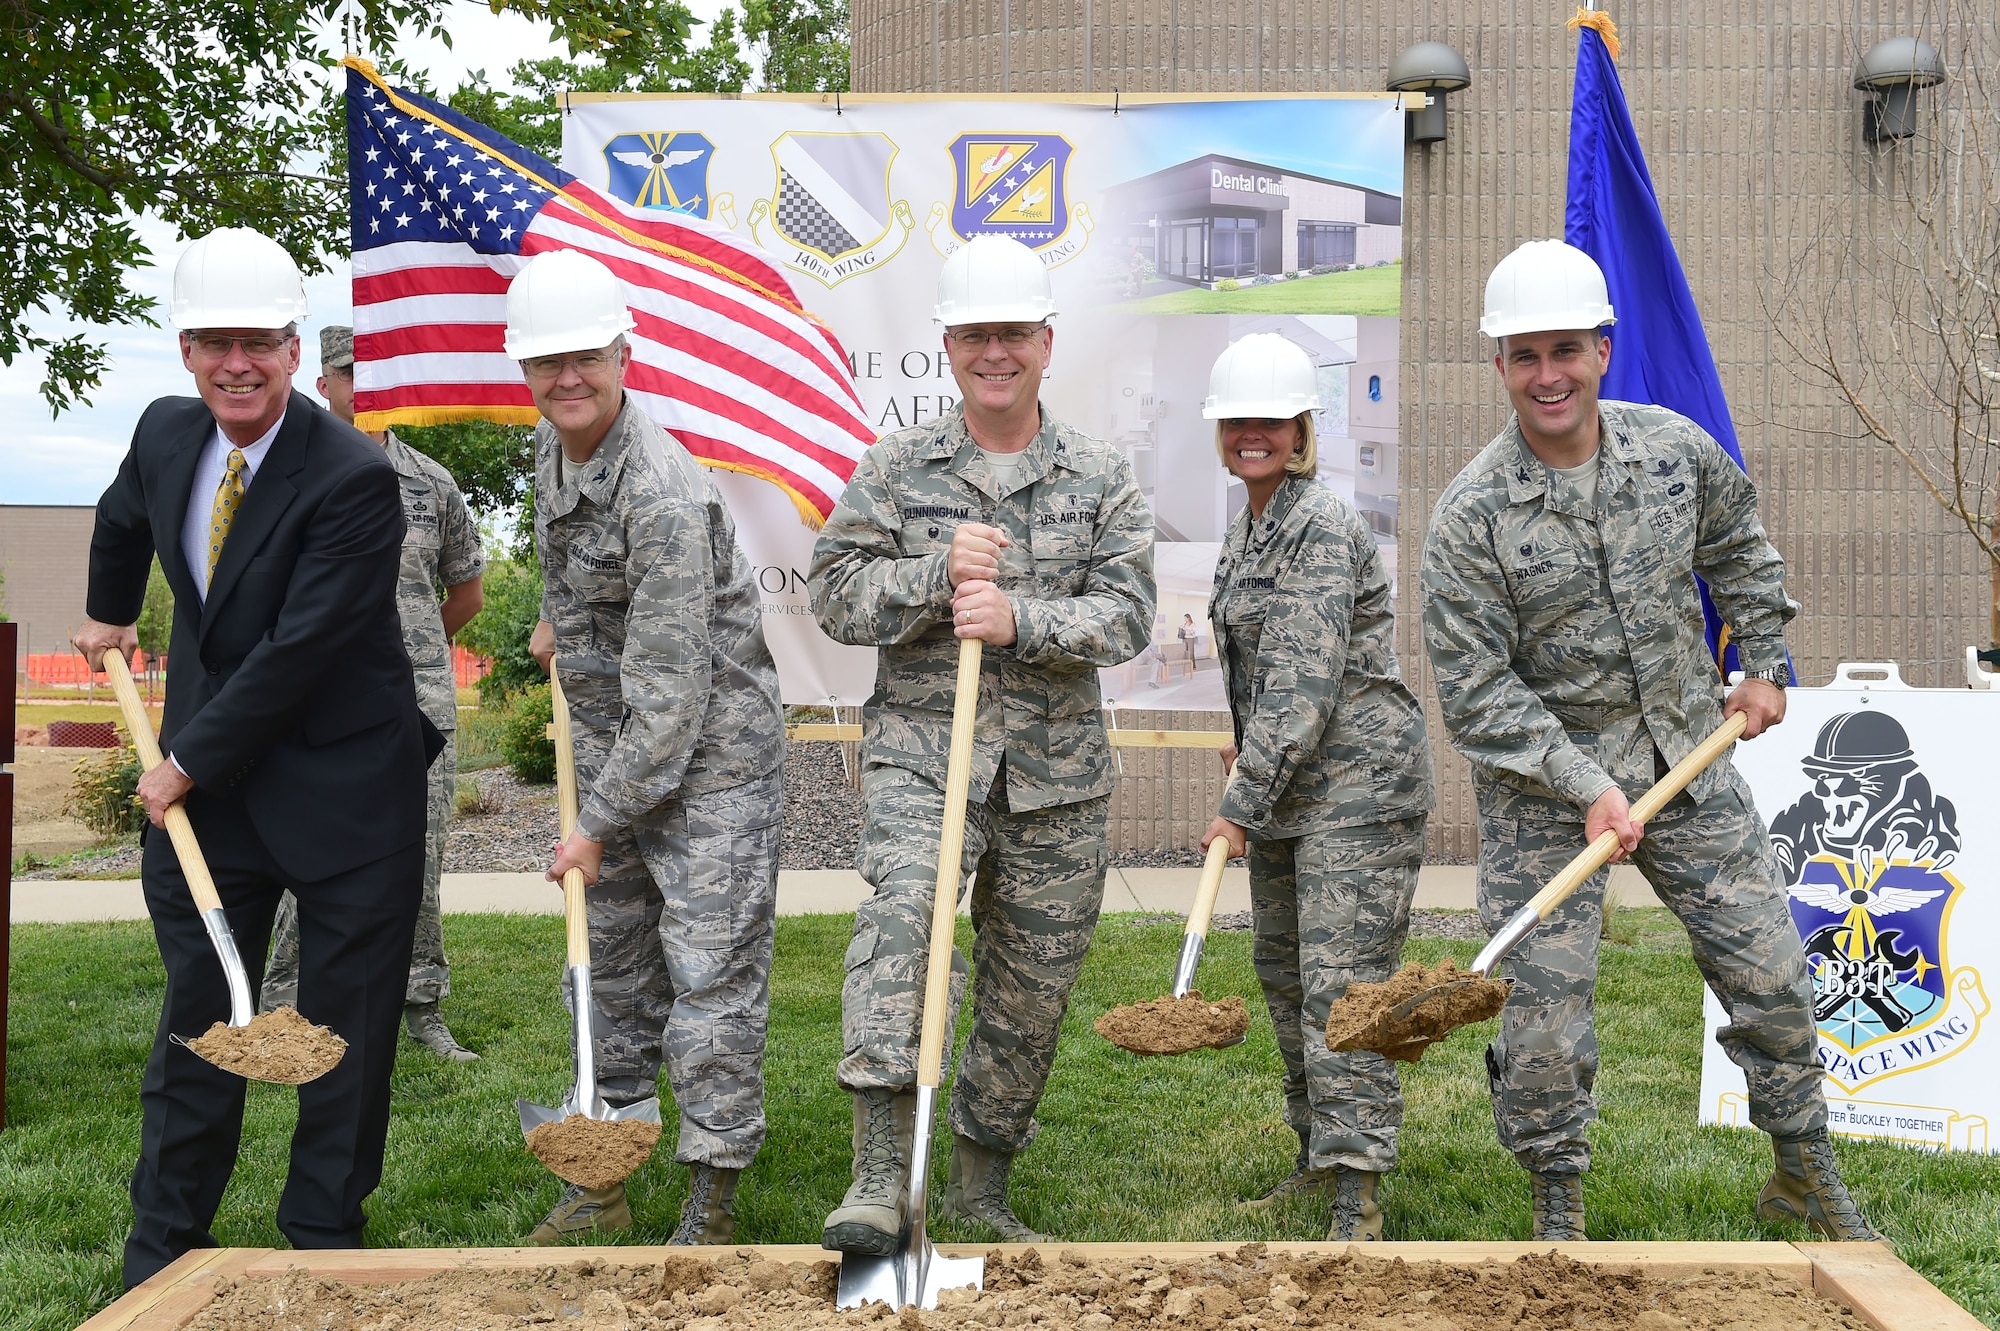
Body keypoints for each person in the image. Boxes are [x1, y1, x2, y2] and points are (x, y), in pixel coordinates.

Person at [1420, 239, 1878, 1242]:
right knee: (1540, 1022)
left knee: (1772, 975)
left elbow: (1740, 550)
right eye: (1523, 354)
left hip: (1685, 756)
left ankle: (1802, 1174)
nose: (1547, 374)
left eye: (1564, 350)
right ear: (1496, 364)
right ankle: (1556, 1202)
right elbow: (1475, 687)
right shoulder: (1470, 518)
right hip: (1547, 795)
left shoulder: (1672, 450)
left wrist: (1762, 662)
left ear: (1602, 348)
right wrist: (1584, 780)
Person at [72, 227, 439, 1287]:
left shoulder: (353, 477)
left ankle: (323, 1244)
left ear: (292, 349)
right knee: (200, 1016)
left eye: (261, 344)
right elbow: (121, 513)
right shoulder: (164, 433)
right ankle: (165, 1249)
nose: (239, 364)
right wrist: (104, 611)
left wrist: (182, 759)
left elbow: (301, 650)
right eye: (215, 342)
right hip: (215, 794)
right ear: (186, 348)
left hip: (345, 786)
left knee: (341, 1031)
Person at [810, 234, 1156, 1252]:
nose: (993, 353)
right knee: (904, 930)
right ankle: (879, 1177)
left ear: (1045, 341)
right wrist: (928, 578)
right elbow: (832, 592)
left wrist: (1023, 619)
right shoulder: (898, 467)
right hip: (926, 757)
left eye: (1011, 334)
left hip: (1055, 777)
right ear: (947, 346)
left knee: (1031, 978)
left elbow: (1128, 613)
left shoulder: (1098, 474)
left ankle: (978, 1181)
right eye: (973, 336)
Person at [510, 249, 786, 1247]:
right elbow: (581, 575)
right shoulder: (550, 450)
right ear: (524, 371)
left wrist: (588, 825)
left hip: (710, 761)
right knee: (611, 968)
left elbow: (671, 700)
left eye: (584, 356)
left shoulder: (661, 488)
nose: (566, 377)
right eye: (546, 362)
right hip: (616, 746)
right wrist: (560, 618)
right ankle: (600, 1174)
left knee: (708, 980)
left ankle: (709, 1195)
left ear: (622, 352)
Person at [1197, 333, 1434, 1241]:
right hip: (1293, 789)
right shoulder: (1252, 522)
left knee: (1345, 994)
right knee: (1287, 980)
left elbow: (1299, 689)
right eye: (1236, 421)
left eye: (1270, 421)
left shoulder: (1319, 526)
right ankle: (1316, 1157)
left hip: (1360, 796)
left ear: (1301, 428)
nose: (1251, 435)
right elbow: (1270, 690)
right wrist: (1254, 768)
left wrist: (1238, 802)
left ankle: (1357, 1194)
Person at [259, 326, 486, 1062]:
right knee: (307, 849)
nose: (364, 384)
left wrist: (405, 648)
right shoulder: (285, 475)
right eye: (350, 372)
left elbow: (466, 589)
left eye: (379, 371)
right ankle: (282, 999)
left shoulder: (430, 482)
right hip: (312, 698)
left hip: (417, 699)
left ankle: (422, 1004)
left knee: (420, 852)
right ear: (321, 382)